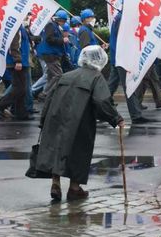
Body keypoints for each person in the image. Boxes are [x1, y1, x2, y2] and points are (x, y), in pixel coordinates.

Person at [36, 46, 125, 201]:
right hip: (80, 120)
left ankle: (55, 183)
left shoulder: (65, 75)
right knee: (79, 152)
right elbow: (102, 100)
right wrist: (115, 118)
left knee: (56, 148)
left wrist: (43, 120)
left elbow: (49, 98)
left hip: (55, 116)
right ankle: (74, 188)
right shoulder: (96, 78)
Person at [108, 11, 150, 124]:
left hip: (117, 56)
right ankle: (136, 115)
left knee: (111, 85)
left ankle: (97, 108)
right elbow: (125, 39)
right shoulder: (123, 18)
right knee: (129, 86)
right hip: (122, 57)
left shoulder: (119, 17)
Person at [0, 23, 32, 120]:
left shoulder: (20, 27)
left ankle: (21, 113)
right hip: (17, 63)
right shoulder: (15, 28)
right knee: (19, 88)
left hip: (20, 62)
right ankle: (0, 104)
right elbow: (14, 45)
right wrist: (18, 60)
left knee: (21, 89)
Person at [36, 10, 69, 98]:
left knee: (51, 75)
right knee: (58, 75)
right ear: (60, 19)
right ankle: (45, 93)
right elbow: (49, 39)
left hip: (52, 53)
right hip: (50, 54)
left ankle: (48, 94)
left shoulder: (54, 25)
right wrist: (62, 40)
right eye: (63, 21)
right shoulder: (51, 25)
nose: (64, 23)